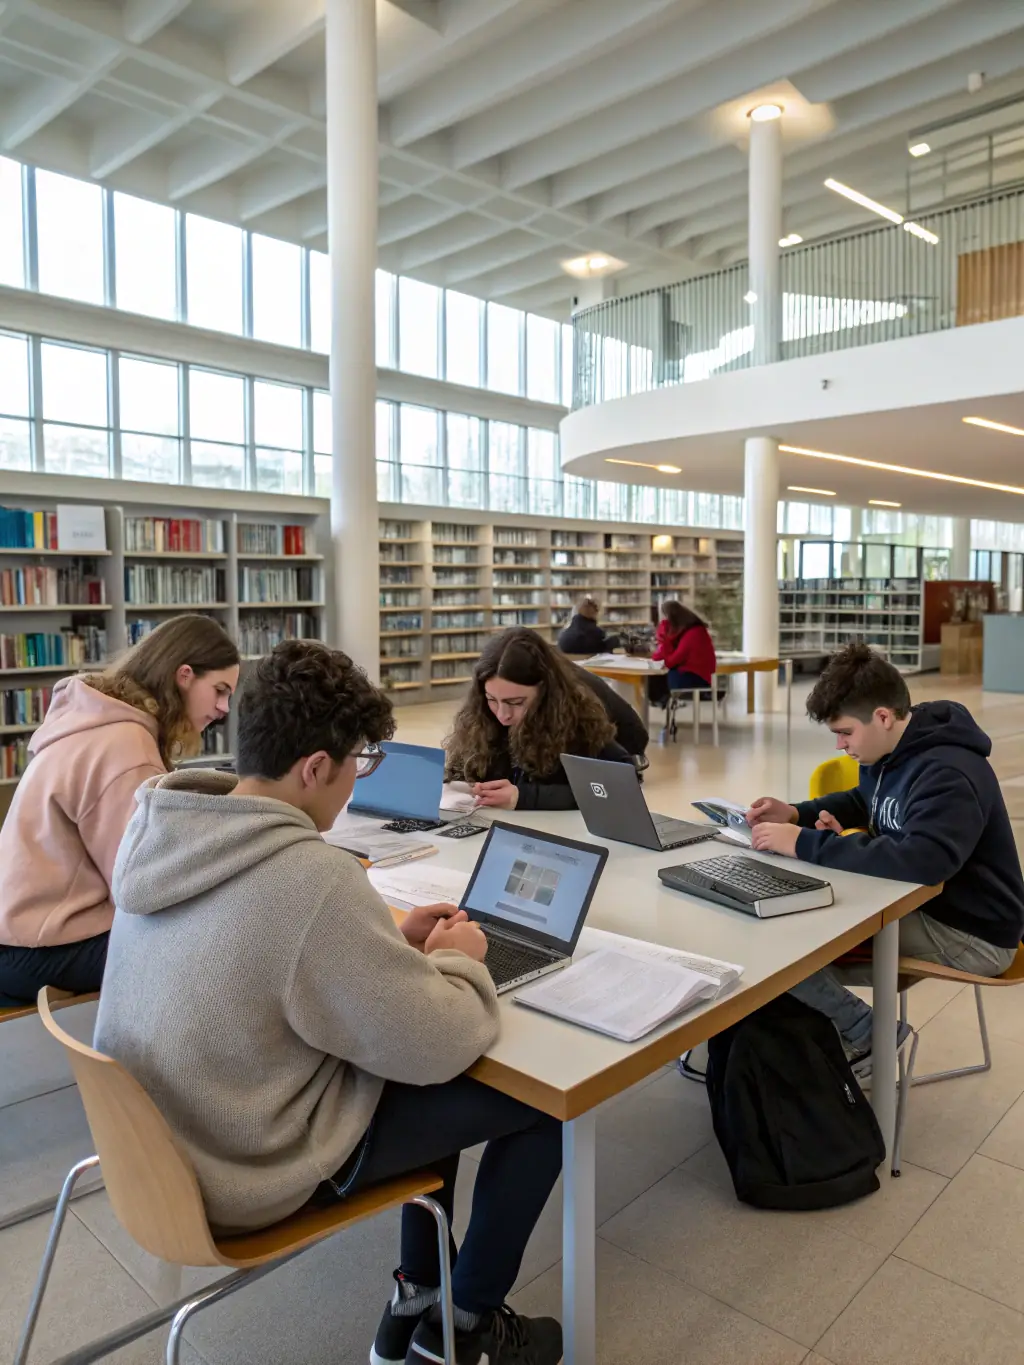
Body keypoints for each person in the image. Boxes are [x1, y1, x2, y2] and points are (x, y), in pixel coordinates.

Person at [94, 641, 563, 1365]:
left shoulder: (164, 830)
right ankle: (462, 1328)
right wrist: (455, 963)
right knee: (542, 1106)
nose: (355, 781)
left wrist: (390, 947)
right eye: (357, 763)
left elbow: (268, 961)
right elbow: (437, 1039)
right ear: (316, 767)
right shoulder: (310, 875)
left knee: (409, 1063)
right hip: (249, 1165)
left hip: (163, 1147)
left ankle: (415, 1290)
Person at [747, 641, 1024, 1077]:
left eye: (845, 732)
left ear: (882, 716)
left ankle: (864, 1033)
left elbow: (920, 862)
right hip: (921, 903)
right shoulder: (888, 748)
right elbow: (863, 799)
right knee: (785, 930)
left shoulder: (948, 772)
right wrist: (796, 813)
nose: (840, 745)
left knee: (789, 945)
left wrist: (801, 842)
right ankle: (833, 1037)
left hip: (971, 931)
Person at [0, 615, 239, 1003]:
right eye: (219, 690)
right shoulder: (127, 746)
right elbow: (139, 885)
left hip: (17, 931)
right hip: (40, 945)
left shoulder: (92, 718)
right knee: (212, 941)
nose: (224, 707)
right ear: (184, 675)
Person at [445, 626, 648, 811]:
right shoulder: (482, 715)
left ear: (544, 691)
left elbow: (621, 783)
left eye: (515, 702)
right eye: (492, 699)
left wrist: (524, 797)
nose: (502, 715)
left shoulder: (575, 716)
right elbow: (467, 768)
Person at [650, 600, 717, 698]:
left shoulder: (694, 633)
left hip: (696, 678)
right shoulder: (682, 633)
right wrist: (662, 640)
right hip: (688, 674)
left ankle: (664, 703)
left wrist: (664, 639)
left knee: (661, 678)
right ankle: (662, 703)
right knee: (654, 678)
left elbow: (671, 662)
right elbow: (657, 658)